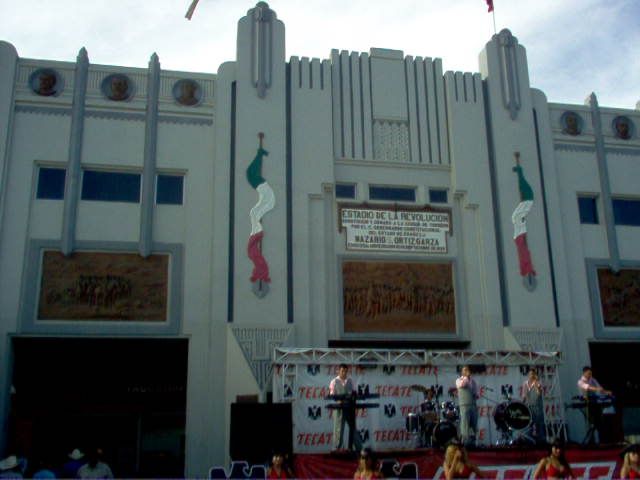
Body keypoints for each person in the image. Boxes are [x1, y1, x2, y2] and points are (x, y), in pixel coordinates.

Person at [330, 363, 361, 452]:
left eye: (345, 371)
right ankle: (337, 448)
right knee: (338, 428)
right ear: (338, 371)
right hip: (339, 408)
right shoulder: (334, 381)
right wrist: (338, 401)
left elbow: (354, 392)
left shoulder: (350, 381)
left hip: (349, 408)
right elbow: (332, 395)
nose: (344, 373)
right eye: (342, 371)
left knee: (353, 428)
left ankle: (357, 448)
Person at [577, 366, 612, 444]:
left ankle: (603, 441)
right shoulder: (580, 381)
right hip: (586, 403)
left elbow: (600, 388)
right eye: (589, 373)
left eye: (591, 373)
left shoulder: (593, 380)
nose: (590, 375)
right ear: (584, 373)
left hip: (595, 402)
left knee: (599, 423)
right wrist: (597, 389)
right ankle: (590, 442)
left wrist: (606, 392)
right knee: (591, 424)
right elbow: (588, 388)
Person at [456, 366, 479, 447]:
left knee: (474, 423)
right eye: (465, 370)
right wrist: (466, 377)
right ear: (462, 372)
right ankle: (464, 442)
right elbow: (462, 385)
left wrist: (476, 394)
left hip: (473, 405)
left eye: (468, 369)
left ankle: (475, 442)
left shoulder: (473, 382)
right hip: (464, 405)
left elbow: (476, 394)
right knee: (465, 424)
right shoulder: (459, 380)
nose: (467, 371)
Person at [522, 369, 546, 443]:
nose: (530, 376)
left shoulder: (538, 383)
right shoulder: (525, 384)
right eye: (529, 374)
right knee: (528, 424)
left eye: (532, 374)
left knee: (539, 424)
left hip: (537, 406)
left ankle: (541, 440)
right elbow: (524, 395)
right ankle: (528, 440)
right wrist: (523, 404)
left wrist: (536, 383)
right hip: (528, 407)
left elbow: (539, 393)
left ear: (534, 375)